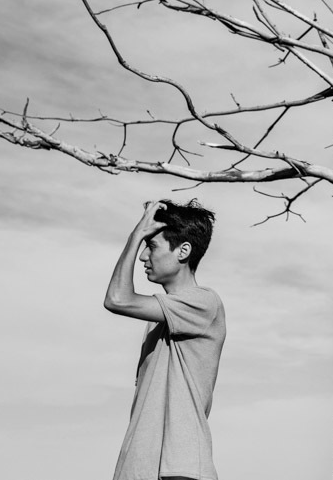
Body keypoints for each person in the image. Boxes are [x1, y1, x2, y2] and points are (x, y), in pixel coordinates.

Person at [103, 199, 225, 480]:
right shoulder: (159, 320)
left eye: (152, 246)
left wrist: (135, 235)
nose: (144, 256)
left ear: (183, 251)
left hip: (178, 470)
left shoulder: (204, 302)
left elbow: (117, 299)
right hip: (143, 469)